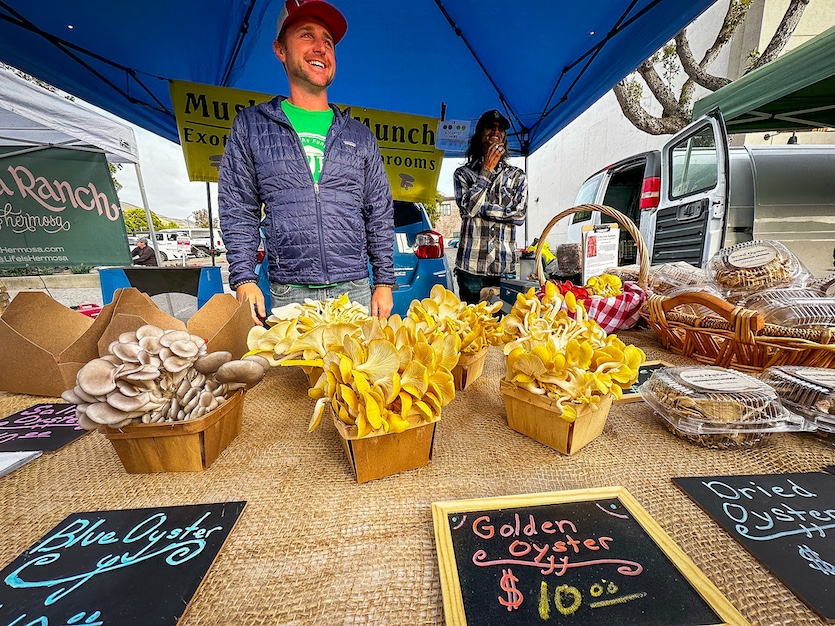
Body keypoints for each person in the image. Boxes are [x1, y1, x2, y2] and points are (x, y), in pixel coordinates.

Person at [219, 0, 395, 325]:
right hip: (290, 292)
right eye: (306, 35)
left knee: (353, 375)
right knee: (295, 376)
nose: (320, 48)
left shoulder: (359, 134)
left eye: (328, 42)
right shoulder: (252, 125)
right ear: (280, 50)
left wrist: (383, 280)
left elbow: (378, 210)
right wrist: (244, 277)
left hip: (353, 289)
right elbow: (238, 206)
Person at [453, 109, 528, 305]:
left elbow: (519, 215)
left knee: (505, 328)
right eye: (490, 127)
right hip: (471, 268)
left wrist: (483, 209)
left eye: (500, 128)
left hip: (504, 268)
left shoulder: (517, 175)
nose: (496, 131)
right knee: (471, 327)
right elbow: (468, 210)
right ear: (479, 134)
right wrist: (486, 170)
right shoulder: (463, 174)